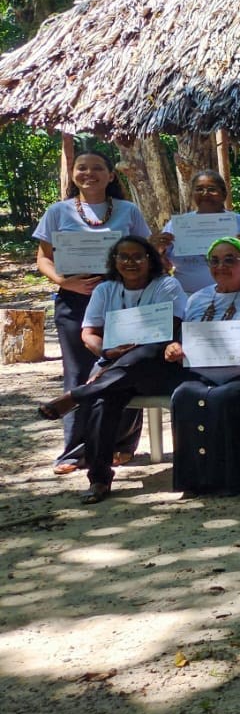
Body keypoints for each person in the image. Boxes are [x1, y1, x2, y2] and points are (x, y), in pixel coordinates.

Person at [35, 235, 186, 501]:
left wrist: (132, 350)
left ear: (150, 259)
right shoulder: (105, 290)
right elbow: (88, 335)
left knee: (145, 352)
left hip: (158, 367)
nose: (131, 262)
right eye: (123, 257)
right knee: (102, 400)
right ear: (113, 261)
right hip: (114, 367)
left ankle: (77, 395)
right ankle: (99, 479)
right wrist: (106, 350)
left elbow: (169, 331)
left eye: (138, 256)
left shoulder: (166, 285)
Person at [32, 150, 152, 473]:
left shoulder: (128, 210)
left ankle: (121, 444)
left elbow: (145, 252)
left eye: (97, 168)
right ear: (73, 175)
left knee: (123, 365)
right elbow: (43, 258)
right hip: (74, 302)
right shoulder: (57, 212)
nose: (89, 173)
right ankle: (73, 451)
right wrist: (65, 281)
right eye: (82, 168)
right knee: (77, 371)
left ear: (111, 175)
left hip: (123, 300)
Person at [166, 237, 240, 497]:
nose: (222, 266)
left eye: (230, 259)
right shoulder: (197, 298)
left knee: (226, 398)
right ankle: (193, 480)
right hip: (202, 373)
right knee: (183, 396)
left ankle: (226, 480)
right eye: (215, 260)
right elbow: (188, 338)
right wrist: (176, 349)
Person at [152, 169, 240, 294]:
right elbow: (161, 265)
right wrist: (158, 251)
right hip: (187, 296)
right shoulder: (177, 226)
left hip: (235, 296)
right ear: (192, 194)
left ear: (224, 194)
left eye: (212, 189)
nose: (205, 194)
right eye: (199, 189)